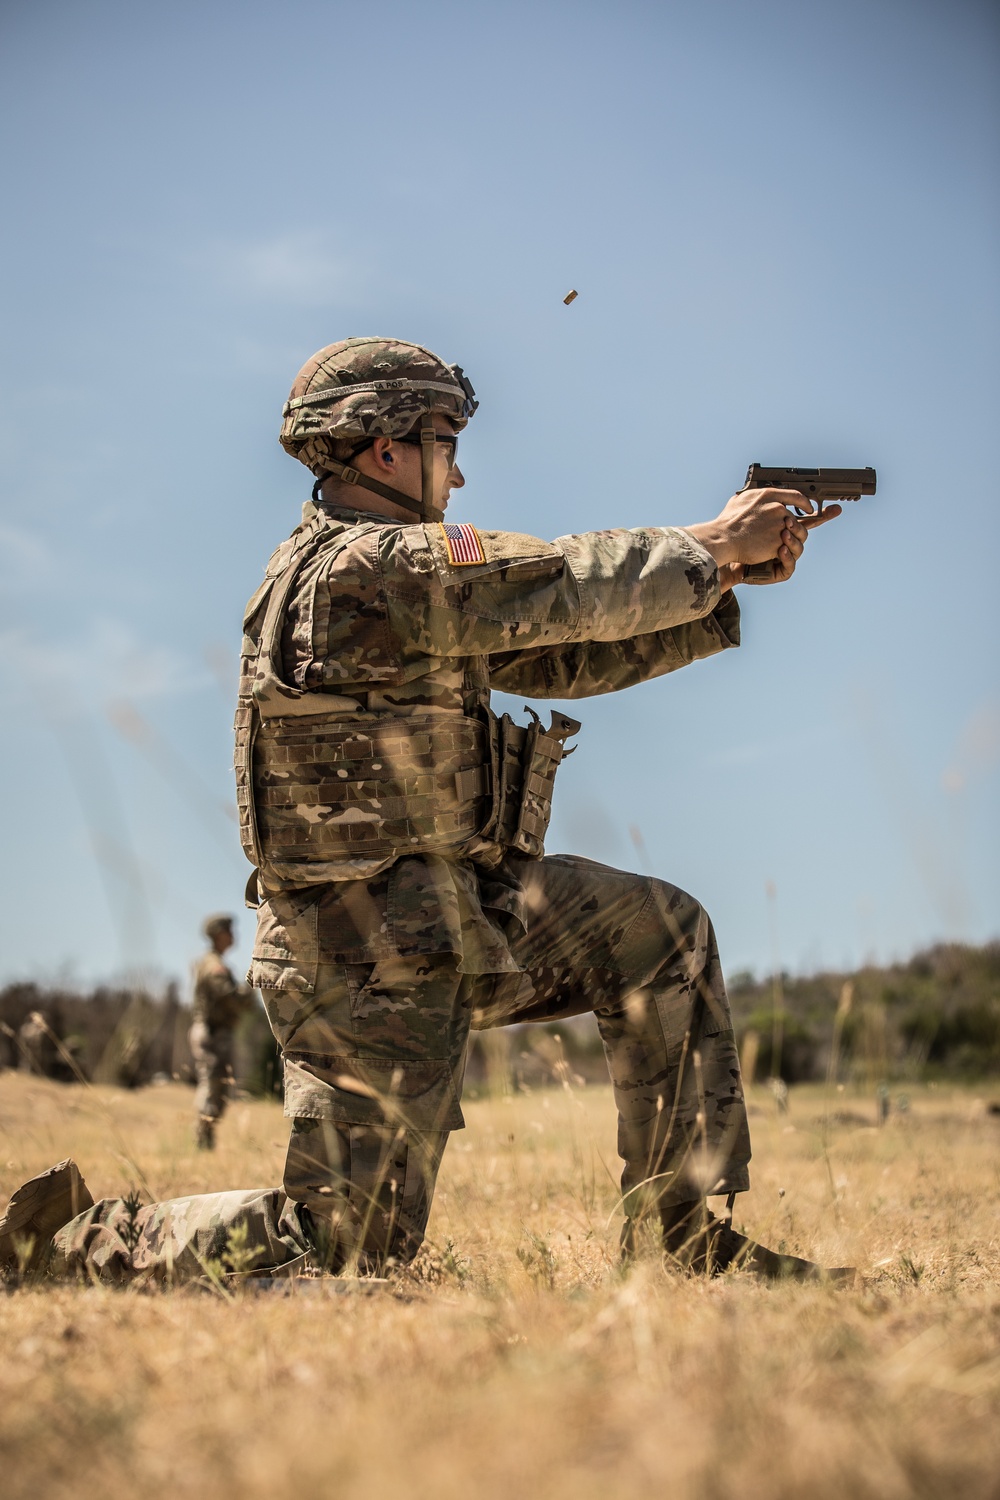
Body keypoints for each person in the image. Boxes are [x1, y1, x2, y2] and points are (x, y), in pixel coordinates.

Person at [0, 337, 852, 1285]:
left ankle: (683, 1241)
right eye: (446, 439)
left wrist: (723, 577)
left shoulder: (399, 581)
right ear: (384, 449)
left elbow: (561, 651)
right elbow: (559, 583)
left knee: (661, 933)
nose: (460, 467)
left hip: (458, 921)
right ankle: (61, 1244)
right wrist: (710, 544)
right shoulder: (370, 567)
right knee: (341, 1251)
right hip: (364, 954)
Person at [190, 914, 255, 1148]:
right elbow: (229, 997)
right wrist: (249, 990)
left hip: (216, 1032)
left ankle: (206, 1139)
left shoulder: (213, 962)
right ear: (219, 934)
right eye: (229, 931)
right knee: (212, 1084)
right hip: (212, 1031)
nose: (233, 935)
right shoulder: (213, 964)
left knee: (218, 1086)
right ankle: (202, 1139)